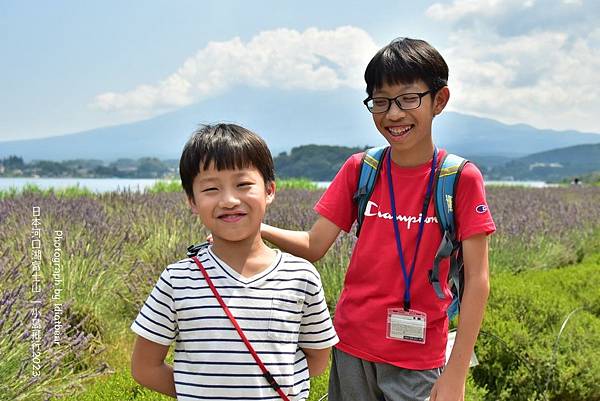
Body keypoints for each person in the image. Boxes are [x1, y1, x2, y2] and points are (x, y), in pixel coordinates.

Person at [260, 38, 496, 401]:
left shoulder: (459, 179)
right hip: (351, 347)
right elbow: (314, 245)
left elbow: (478, 281)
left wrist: (456, 375)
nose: (394, 114)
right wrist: (254, 228)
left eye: (408, 99)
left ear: (440, 100)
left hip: (418, 358)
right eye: (381, 101)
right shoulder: (361, 170)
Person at [130, 123, 338, 401]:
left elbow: (318, 359)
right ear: (192, 201)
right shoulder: (176, 280)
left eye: (243, 185)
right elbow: (145, 368)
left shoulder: (301, 276)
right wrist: (198, 390)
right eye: (211, 189)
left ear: (269, 190)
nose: (229, 200)